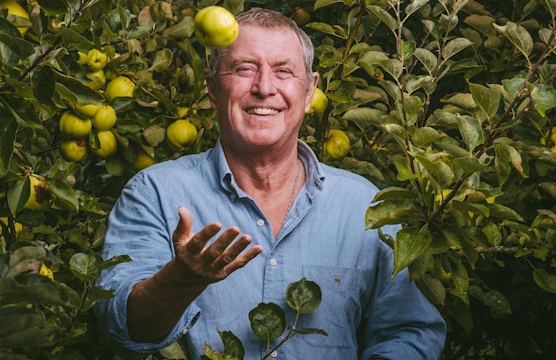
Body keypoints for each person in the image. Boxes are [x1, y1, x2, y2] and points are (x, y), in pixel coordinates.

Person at [95, 7, 446, 360]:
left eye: (283, 71)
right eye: (245, 69)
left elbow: (410, 331)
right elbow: (122, 330)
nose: (264, 88)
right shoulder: (155, 193)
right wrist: (180, 280)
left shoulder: (365, 206)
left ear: (310, 91)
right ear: (213, 88)